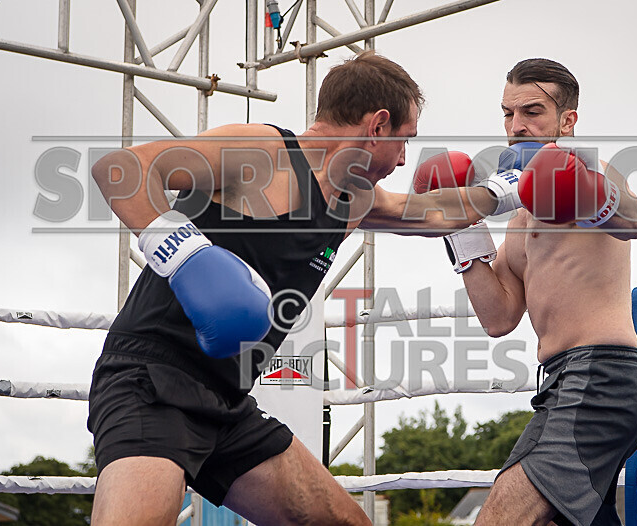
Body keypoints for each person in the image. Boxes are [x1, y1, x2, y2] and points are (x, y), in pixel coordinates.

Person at [87, 51, 524, 526]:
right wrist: (187, 256)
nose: (403, 159)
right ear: (377, 125)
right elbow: (123, 170)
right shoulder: (263, 152)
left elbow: (434, 213)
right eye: (403, 141)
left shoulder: (353, 199)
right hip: (152, 381)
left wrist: (518, 184)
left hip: (227, 400)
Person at [447, 58, 637, 525]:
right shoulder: (520, 220)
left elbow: (634, 223)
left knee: (502, 516)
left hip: (601, 377)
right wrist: (463, 226)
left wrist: (576, 187)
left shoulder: (595, 170)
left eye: (532, 112)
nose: (516, 126)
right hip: (559, 382)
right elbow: (497, 317)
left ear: (568, 120)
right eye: (507, 113)